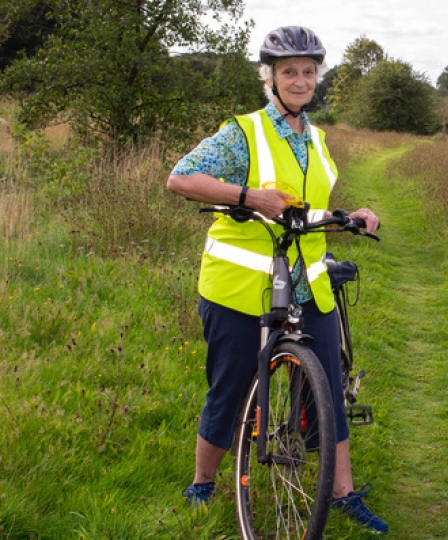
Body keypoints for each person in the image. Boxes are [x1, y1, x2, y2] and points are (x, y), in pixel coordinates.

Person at [166, 25, 388, 534]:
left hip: (309, 283)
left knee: (327, 389)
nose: (300, 80)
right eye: (289, 71)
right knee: (232, 387)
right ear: (269, 77)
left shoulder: (317, 138)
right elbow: (180, 178)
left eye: (309, 72)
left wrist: (349, 214)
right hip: (242, 288)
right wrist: (248, 196)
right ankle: (203, 482)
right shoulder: (243, 132)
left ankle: (344, 492)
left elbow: (304, 206)